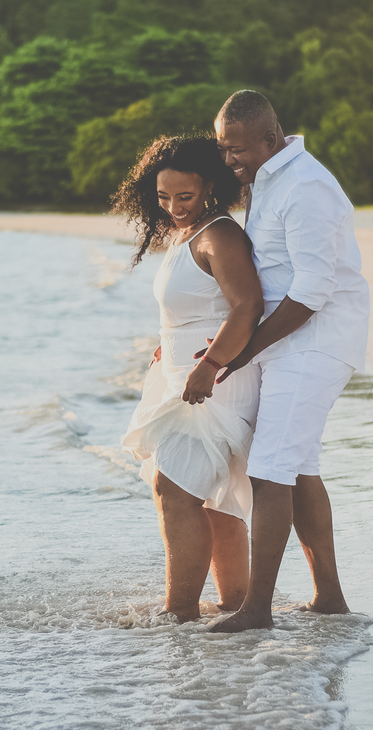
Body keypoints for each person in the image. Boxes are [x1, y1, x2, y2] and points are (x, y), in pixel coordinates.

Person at [206, 90, 370, 633]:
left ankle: (257, 610)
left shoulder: (305, 187)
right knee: (298, 467)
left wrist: (247, 348)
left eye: (237, 149)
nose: (229, 159)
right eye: (222, 148)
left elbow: (314, 289)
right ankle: (329, 599)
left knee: (270, 469)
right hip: (289, 341)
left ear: (270, 138)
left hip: (315, 341)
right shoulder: (267, 179)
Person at [113, 135, 265, 622]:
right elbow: (196, 308)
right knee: (214, 499)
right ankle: (234, 604)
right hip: (188, 376)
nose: (174, 207)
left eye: (185, 196)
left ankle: (178, 615)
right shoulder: (188, 233)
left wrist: (210, 365)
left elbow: (247, 305)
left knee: (174, 490)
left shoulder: (218, 234)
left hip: (213, 382)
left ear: (210, 188)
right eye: (163, 197)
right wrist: (169, 346)